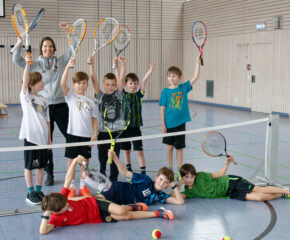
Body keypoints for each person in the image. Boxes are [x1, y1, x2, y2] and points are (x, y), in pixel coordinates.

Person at [39, 155, 175, 235]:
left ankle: (149, 211)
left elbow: (68, 180)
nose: (68, 202)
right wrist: (47, 214)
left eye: (66, 201)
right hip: (97, 218)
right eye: (64, 206)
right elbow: (43, 231)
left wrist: (74, 161)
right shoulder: (55, 218)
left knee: (122, 210)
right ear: (55, 211)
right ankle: (146, 210)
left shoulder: (62, 198)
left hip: (95, 203)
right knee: (126, 216)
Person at [13, 22, 74, 186]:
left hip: (61, 106)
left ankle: (72, 168)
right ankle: (49, 172)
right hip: (43, 108)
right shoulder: (35, 64)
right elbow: (15, 59)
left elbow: (73, 47)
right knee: (47, 141)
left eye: (50, 46)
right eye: (45, 46)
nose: (48, 49)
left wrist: (69, 31)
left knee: (71, 137)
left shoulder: (60, 62)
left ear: (54, 48)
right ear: (41, 49)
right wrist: (21, 40)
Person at [178, 155, 290, 201]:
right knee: (259, 198)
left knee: (260, 190)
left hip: (230, 182)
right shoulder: (189, 192)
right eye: (186, 177)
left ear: (195, 175)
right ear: (183, 178)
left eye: (191, 176)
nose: (190, 179)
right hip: (229, 194)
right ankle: (283, 195)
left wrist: (227, 163)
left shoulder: (201, 176)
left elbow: (220, 174)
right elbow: (177, 197)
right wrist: (178, 184)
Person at [159, 53, 201, 181]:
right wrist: (163, 125)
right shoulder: (165, 92)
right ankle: (170, 169)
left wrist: (197, 63)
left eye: (174, 76)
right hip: (169, 124)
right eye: (170, 76)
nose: (172, 78)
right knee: (169, 147)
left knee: (179, 148)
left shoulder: (183, 88)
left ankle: (179, 170)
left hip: (180, 124)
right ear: (167, 78)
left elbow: (195, 77)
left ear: (179, 77)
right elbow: (162, 109)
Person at [60, 57, 98, 199]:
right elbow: (62, 83)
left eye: (84, 83)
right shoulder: (71, 97)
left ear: (87, 85)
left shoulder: (91, 102)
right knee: (71, 163)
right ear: (74, 85)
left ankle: (83, 186)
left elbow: (94, 119)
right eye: (78, 83)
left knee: (85, 163)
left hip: (86, 136)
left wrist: (94, 134)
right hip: (72, 135)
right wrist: (68, 65)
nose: (81, 85)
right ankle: (71, 187)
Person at [97, 150, 184, 206]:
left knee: (99, 206)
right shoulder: (145, 179)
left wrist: (173, 185)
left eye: (165, 182)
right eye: (161, 179)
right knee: (95, 202)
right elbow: (125, 172)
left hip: (119, 202)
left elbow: (180, 201)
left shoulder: (160, 196)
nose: (161, 183)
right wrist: (115, 158)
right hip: (117, 189)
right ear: (156, 177)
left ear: (167, 186)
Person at [19, 55, 51, 205]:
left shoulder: (44, 101)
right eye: (40, 81)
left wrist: (49, 140)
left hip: (43, 139)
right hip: (31, 138)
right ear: (32, 85)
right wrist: (27, 65)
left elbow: (47, 121)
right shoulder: (26, 98)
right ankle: (30, 192)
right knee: (29, 166)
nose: (42, 82)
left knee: (41, 166)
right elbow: (24, 82)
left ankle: (38, 190)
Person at [88, 55, 126, 182]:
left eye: (113, 85)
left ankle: (113, 180)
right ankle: (102, 180)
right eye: (108, 84)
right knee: (102, 159)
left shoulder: (118, 95)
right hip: (103, 133)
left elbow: (121, 80)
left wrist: (122, 65)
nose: (110, 87)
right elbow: (94, 81)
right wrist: (91, 66)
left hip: (116, 133)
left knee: (115, 158)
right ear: (104, 85)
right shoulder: (100, 96)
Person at [120, 62, 155, 175]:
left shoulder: (139, 95)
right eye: (131, 83)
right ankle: (129, 170)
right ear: (126, 84)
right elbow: (119, 81)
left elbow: (144, 81)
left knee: (139, 151)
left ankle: (143, 173)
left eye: (135, 83)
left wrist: (151, 69)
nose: (133, 85)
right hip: (124, 128)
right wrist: (119, 66)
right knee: (126, 151)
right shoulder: (122, 94)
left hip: (135, 128)